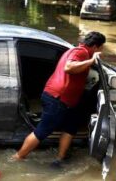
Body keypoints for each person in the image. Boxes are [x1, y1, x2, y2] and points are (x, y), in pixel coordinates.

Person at [13, 31, 106, 166]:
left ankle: (60, 158)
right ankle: (18, 157)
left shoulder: (74, 50)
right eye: (101, 48)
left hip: (66, 100)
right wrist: (91, 61)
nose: (101, 50)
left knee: (70, 127)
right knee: (43, 131)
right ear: (96, 47)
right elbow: (69, 67)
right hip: (57, 99)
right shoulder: (82, 53)